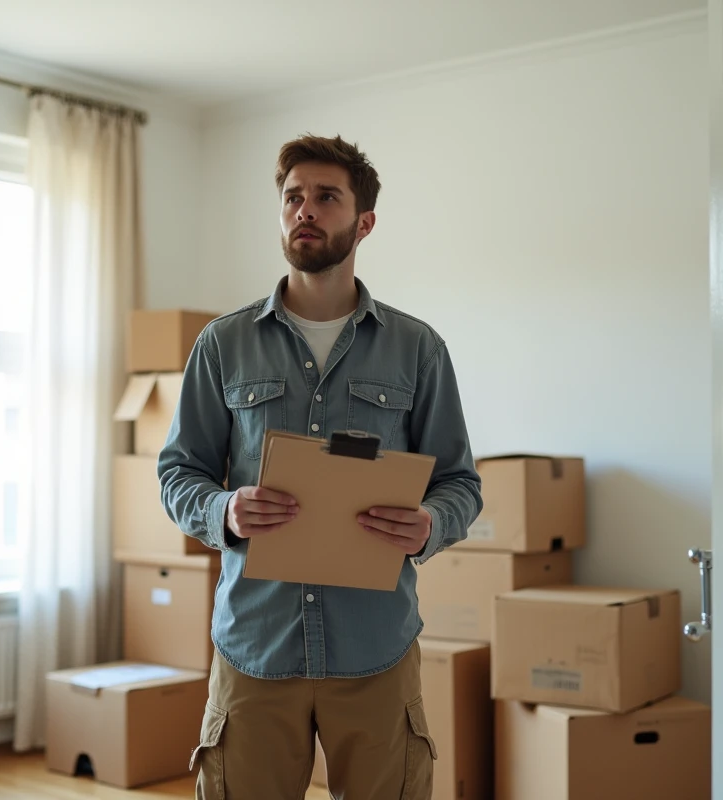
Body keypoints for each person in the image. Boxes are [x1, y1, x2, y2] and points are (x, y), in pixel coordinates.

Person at [157, 133, 483, 800]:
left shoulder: (418, 349)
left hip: (375, 648)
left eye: (326, 197)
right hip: (255, 644)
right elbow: (179, 472)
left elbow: (461, 484)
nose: (305, 210)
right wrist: (224, 511)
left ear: (363, 222)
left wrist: (430, 524)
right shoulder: (223, 344)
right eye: (292, 197)